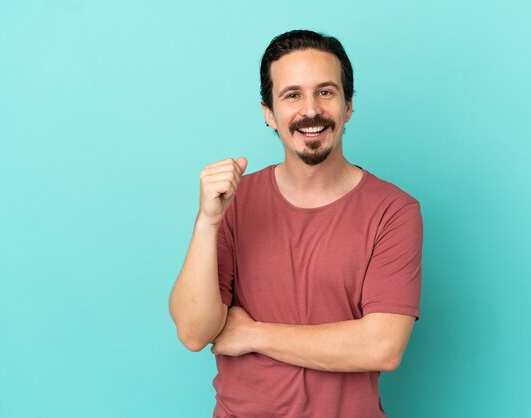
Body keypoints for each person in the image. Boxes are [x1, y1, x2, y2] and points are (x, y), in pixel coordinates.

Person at [169, 29, 423, 417]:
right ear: (269, 113)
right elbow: (193, 332)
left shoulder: (394, 211)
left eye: (326, 92)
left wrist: (253, 334)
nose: (311, 110)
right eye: (292, 95)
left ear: (348, 105)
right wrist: (208, 221)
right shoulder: (234, 203)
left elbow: (382, 347)